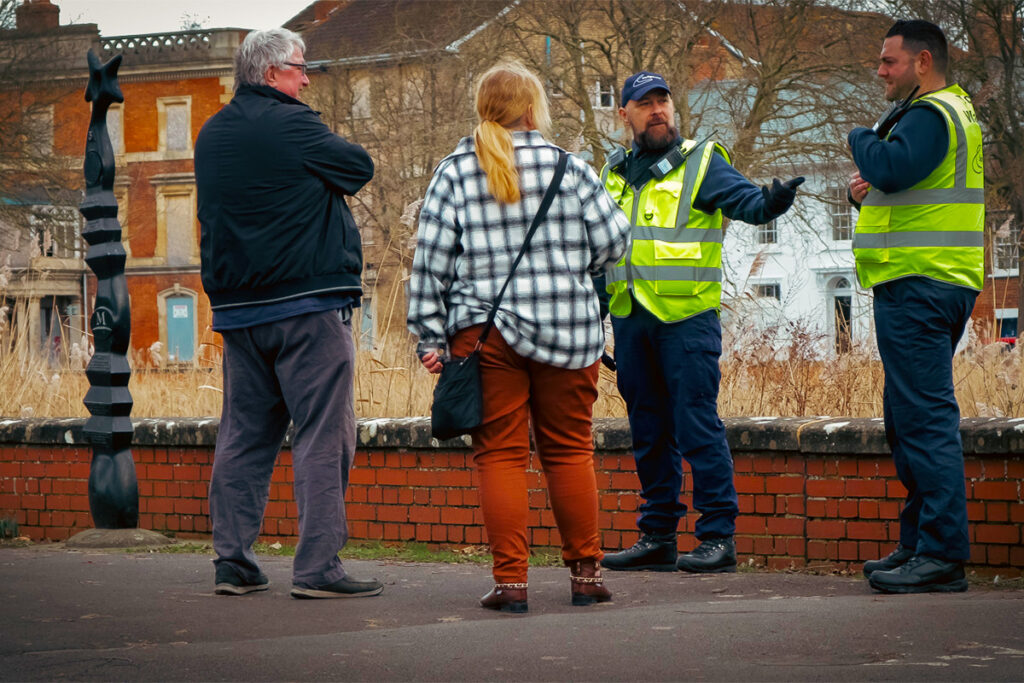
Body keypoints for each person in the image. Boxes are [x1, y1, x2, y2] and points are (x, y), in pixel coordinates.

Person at [407, 62, 631, 613]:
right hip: (569, 332)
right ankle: (586, 575)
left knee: (501, 458)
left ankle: (511, 585)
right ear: (532, 109)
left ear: (483, 109)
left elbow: (430, 264)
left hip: (487, 334)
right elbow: (615, 243)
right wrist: (569, 265)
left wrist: (429, 338)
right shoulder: (570, 167)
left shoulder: (456, 171)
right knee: (570, 451)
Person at [195, 28, 381, 599]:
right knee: (325, 434)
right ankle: (318, 568)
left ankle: (234, 561)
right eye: (300, 69)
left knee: (244, 436)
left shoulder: (211, 134)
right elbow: (360, 166)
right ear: (272, 72)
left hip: (240, 312)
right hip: (308, 307)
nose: (306, 78)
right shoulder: (296, 124)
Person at [600, 71, 803, 574]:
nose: (657, 110)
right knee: (648, 430)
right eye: (644, 103)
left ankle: (717, 537)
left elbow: (748, 202)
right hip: (630, 319)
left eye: (662, 101)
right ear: (623, 114)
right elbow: (598, 250)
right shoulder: (613, 172)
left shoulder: (700, 161)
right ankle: (658, 535)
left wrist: (771, 203)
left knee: (696, 425)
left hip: (686, 318)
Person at [848, 20, 982, 594]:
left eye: (889, 62)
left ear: (922, 61)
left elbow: (892, 168)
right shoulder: (947, 112)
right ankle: (918, 544)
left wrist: (860, 139)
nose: (880, 71)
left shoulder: (931, 114)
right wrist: (868, 195)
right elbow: (903, 189)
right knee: (907, 421)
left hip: (922, 286)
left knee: (924, 421)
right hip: (928, 282)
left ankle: (942, 555)